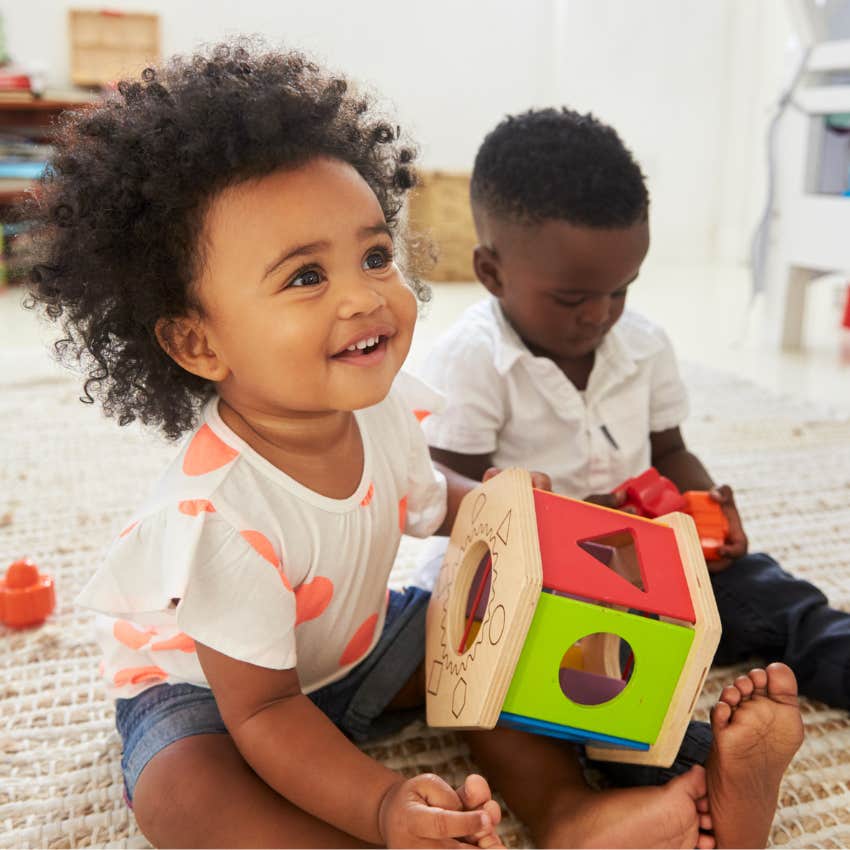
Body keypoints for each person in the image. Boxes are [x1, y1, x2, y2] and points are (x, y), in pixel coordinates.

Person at [25, 42, 504, 849]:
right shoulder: (220, 517)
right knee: (184, 794)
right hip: (217, 698)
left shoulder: (378, 408)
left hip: (354, 648)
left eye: (375, 255)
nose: (363, 296)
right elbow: (267, 711)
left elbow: (431, 502)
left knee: (497, 638)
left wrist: (509, 509)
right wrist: (385, 807)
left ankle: (578, 807)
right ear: (197, 344)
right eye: (305, 278)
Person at [416, 107, 809, 847]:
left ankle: (832, 656)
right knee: (578, 694)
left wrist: (705, 503)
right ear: (492, 271)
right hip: (522, 586)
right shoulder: (471, 360)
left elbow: (672, 449)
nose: (600, 315)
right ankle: (708, 782)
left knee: (775, 596)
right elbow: (445, 493)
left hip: (650, 565)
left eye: (621, 289)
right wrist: (569, 521)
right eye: (572, 298)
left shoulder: (644, 346)